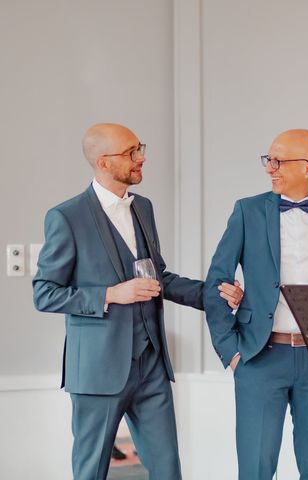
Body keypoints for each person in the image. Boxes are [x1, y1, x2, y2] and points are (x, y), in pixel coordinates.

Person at [33, 123, 243, 480]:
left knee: (167, 470)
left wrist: (216, 294)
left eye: (139, 148)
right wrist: (111, 295)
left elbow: (158, 279)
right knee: (91, 472)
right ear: (103, 162)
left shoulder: (142, 207)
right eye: (131, 153)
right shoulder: (66, 217)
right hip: (98, 372)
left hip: (151, 366)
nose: (141, 158)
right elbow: (44, 292)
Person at [204, 129, 308, 479]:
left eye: (279, 161)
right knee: (255, 469)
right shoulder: (246, 211)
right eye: (269, 160)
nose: (270, 168)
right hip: (259, 357)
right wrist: (230, 351)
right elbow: (216, 282)